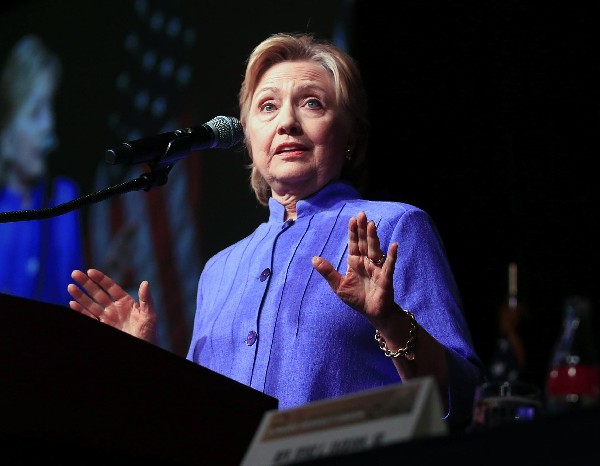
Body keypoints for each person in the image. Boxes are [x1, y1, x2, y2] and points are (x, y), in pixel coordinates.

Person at [67, 32, 486, 428]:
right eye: (267, 106)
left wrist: (389, 319)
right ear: (248, 138)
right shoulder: (218, 270)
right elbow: (193, 421)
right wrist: (140, 359)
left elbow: (463, 399)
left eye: (312, 104)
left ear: (349, 135)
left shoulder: (395, 226)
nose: (286, 121)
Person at [0, 34, 84, 306]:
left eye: (51, 107)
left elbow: (69, 302)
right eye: (36, 112)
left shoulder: (64, 196)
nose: (49, 124)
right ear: (6, 132)